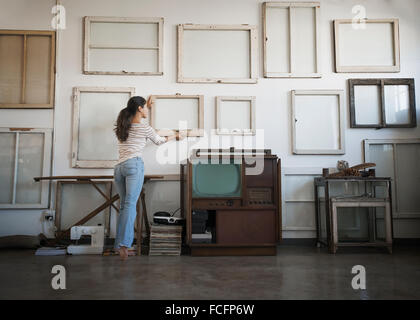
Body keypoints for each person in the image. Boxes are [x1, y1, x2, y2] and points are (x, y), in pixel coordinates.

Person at [113, 96, 184, 260]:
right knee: (130, 206)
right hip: (133, 166)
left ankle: (119, 245)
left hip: (119, 168)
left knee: (124, 206)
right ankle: (124, 245)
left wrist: (148, 108)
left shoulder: (123, 126)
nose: (146, 110)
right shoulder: (144, 128)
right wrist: (175, 135)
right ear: (139, 109)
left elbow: (140, 122)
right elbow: (159, 141)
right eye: (144, 107)